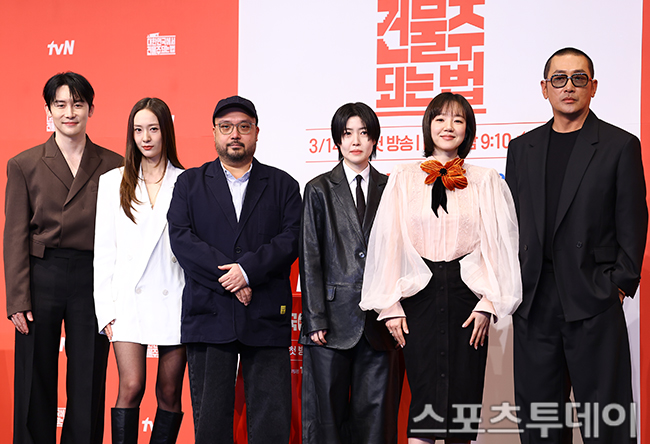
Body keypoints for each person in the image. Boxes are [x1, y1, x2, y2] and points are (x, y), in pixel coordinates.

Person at [360, 92, 522, 444]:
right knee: (424, 400)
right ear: (428, 125)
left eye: (458, 120)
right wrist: (389, 305)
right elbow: (389, 242)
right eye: (440, 119)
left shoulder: (485, 179)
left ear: (468, 129)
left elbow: (500, 245)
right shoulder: (403, 177)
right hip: (419, 296)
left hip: (469, 298)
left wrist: (489, 303)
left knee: (464, 400)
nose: (449, 127)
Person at [505, 47, 647, 443]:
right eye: (559, 78)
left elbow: (633, 220)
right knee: (540, 424)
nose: (569, 86)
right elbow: (511, 225)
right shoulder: (522, 149)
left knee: (607, 423)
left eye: (579, 78)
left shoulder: (619, 145)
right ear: (545, 88)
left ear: (593, 87)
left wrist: (617, 285)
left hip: (592, 297)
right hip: (535, 302)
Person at [167, 95, 301, 444]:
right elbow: (181, 239)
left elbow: (290, 239)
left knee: (271, 421)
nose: (235, 135)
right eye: (226, 127)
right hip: (209, 314)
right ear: (214, 133)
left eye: (244, 127)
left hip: (265, 311)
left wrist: (248, 271)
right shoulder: (189, 184)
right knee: (210, 422)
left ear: (256, 132)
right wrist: (232, 278)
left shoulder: (283, 185)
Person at [4, 72, 123, 444]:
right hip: (42, 274)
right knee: (35, 374)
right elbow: (14, 236)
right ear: (48, 111)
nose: (69, 112)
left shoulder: (114, 164)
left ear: (90, 109)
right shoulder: (24, 164)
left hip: (92, 276)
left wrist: (116, 295)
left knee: (89, 374)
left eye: (78, 104)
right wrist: (17, 300)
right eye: (60, 105)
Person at [299, 102, 402, 444]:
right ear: (337, 140)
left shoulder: (392, 188)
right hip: (330, 323)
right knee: (326, 421)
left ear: (374, 139)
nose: (355, 141)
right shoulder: (318, 188)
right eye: (347, 133)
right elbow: (310, 256)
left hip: (380, 321)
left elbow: (401, 252)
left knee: (376, 421)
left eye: (363, 133)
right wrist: (315, 318)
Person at [94, 98, 186, 444]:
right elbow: (105, 250)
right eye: (138, 130)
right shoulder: (112, 182)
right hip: (128, 301)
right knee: (131, 386)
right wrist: (105, 308)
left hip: (175, 296)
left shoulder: (187, 181)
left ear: (166, 132)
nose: (145, 138)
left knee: (169, 392)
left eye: (153, 129)